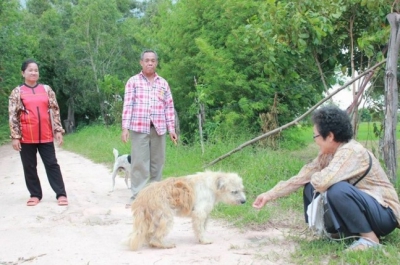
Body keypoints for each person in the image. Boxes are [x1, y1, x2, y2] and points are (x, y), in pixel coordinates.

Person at [252, 105, 400, 251]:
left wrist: (315, 175)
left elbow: (322, 182)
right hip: (368, 212)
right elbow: (301, 177)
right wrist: (268, 195)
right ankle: (335, 234)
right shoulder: (328, 154)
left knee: (337, 189)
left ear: (329, 136)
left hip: (385, 214)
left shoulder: (352, 151)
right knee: (311, 186)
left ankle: (370, 240)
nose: (314, 140)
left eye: (315, 136)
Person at [8, 59, 68, 206]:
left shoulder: (46, 89)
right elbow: (13, 115)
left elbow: (55, 110)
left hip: (46, 135)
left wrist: (58, 130)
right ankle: (35, 194)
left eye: (36, 70)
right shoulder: (17, 92)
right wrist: (15, 136)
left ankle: (61, 194)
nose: (34, 72)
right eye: (30, 70)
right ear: (23, 73)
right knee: (29, 166)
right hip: (26, 137)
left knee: (52, 164)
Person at [121, 50, 177, 201]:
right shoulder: (133, 81)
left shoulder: (163, 83)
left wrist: (171, 129)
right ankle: (137, 197)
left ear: (156, 63)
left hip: (158, 129)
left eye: (153, 60)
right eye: (147, 60)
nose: (150, 63)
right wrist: (125, 128)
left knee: (157, 163)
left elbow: (169, 107)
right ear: (141, 62)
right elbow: (128, 105)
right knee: (139, 163)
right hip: (139, 128)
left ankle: (155, 196)